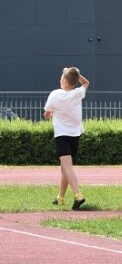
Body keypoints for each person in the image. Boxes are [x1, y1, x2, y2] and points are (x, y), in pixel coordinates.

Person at [43, 67, 90, 210]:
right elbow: (86, 83)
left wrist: (50, 115)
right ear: (75, 81)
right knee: (65, 168)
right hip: (75, 134)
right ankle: (60, 198)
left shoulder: (55, 94)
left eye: (62, 77)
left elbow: (47, 114)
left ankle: (78, 195)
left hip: (62, 135)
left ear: (64, 80)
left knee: (67, 167)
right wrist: (75, 74)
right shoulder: (78, 93)